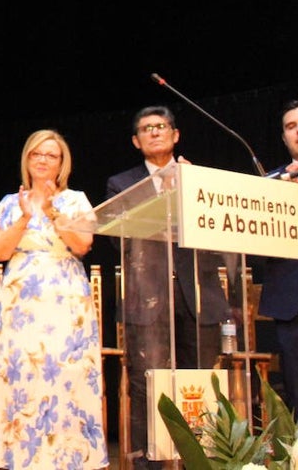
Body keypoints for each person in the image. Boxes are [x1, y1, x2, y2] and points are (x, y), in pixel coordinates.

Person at [105, 105, 232, 469]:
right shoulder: (122, 184)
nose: (155, 132)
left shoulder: (200, 178)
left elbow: (217, 231)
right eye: (147, 129)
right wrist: (165, 194)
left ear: (176, 135)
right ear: (136, 140)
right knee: (148, 389)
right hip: (148, 300)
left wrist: (191, 190)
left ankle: (204, 460)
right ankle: (152, 464)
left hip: (199, 296)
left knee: (201, 385)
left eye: (162, 127)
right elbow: (119, 241)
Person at [0, 129, 107, 469]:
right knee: (22, 377)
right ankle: (19, 458)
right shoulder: (11, 202)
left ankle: (71, 459)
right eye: (36, 154)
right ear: (27, 159)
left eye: (51, 155)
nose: (43, 160)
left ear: (61, 163)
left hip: (65, 299)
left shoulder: (76, 200)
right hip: (19, 301)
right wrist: (26, 216)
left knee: (66, 377)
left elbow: (82, 245)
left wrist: (54, 212)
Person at [258, 98, 298, 426]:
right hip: (297, 303)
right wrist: (277, 193)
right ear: (284, 139)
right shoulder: (268, 186)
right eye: (291, 127)